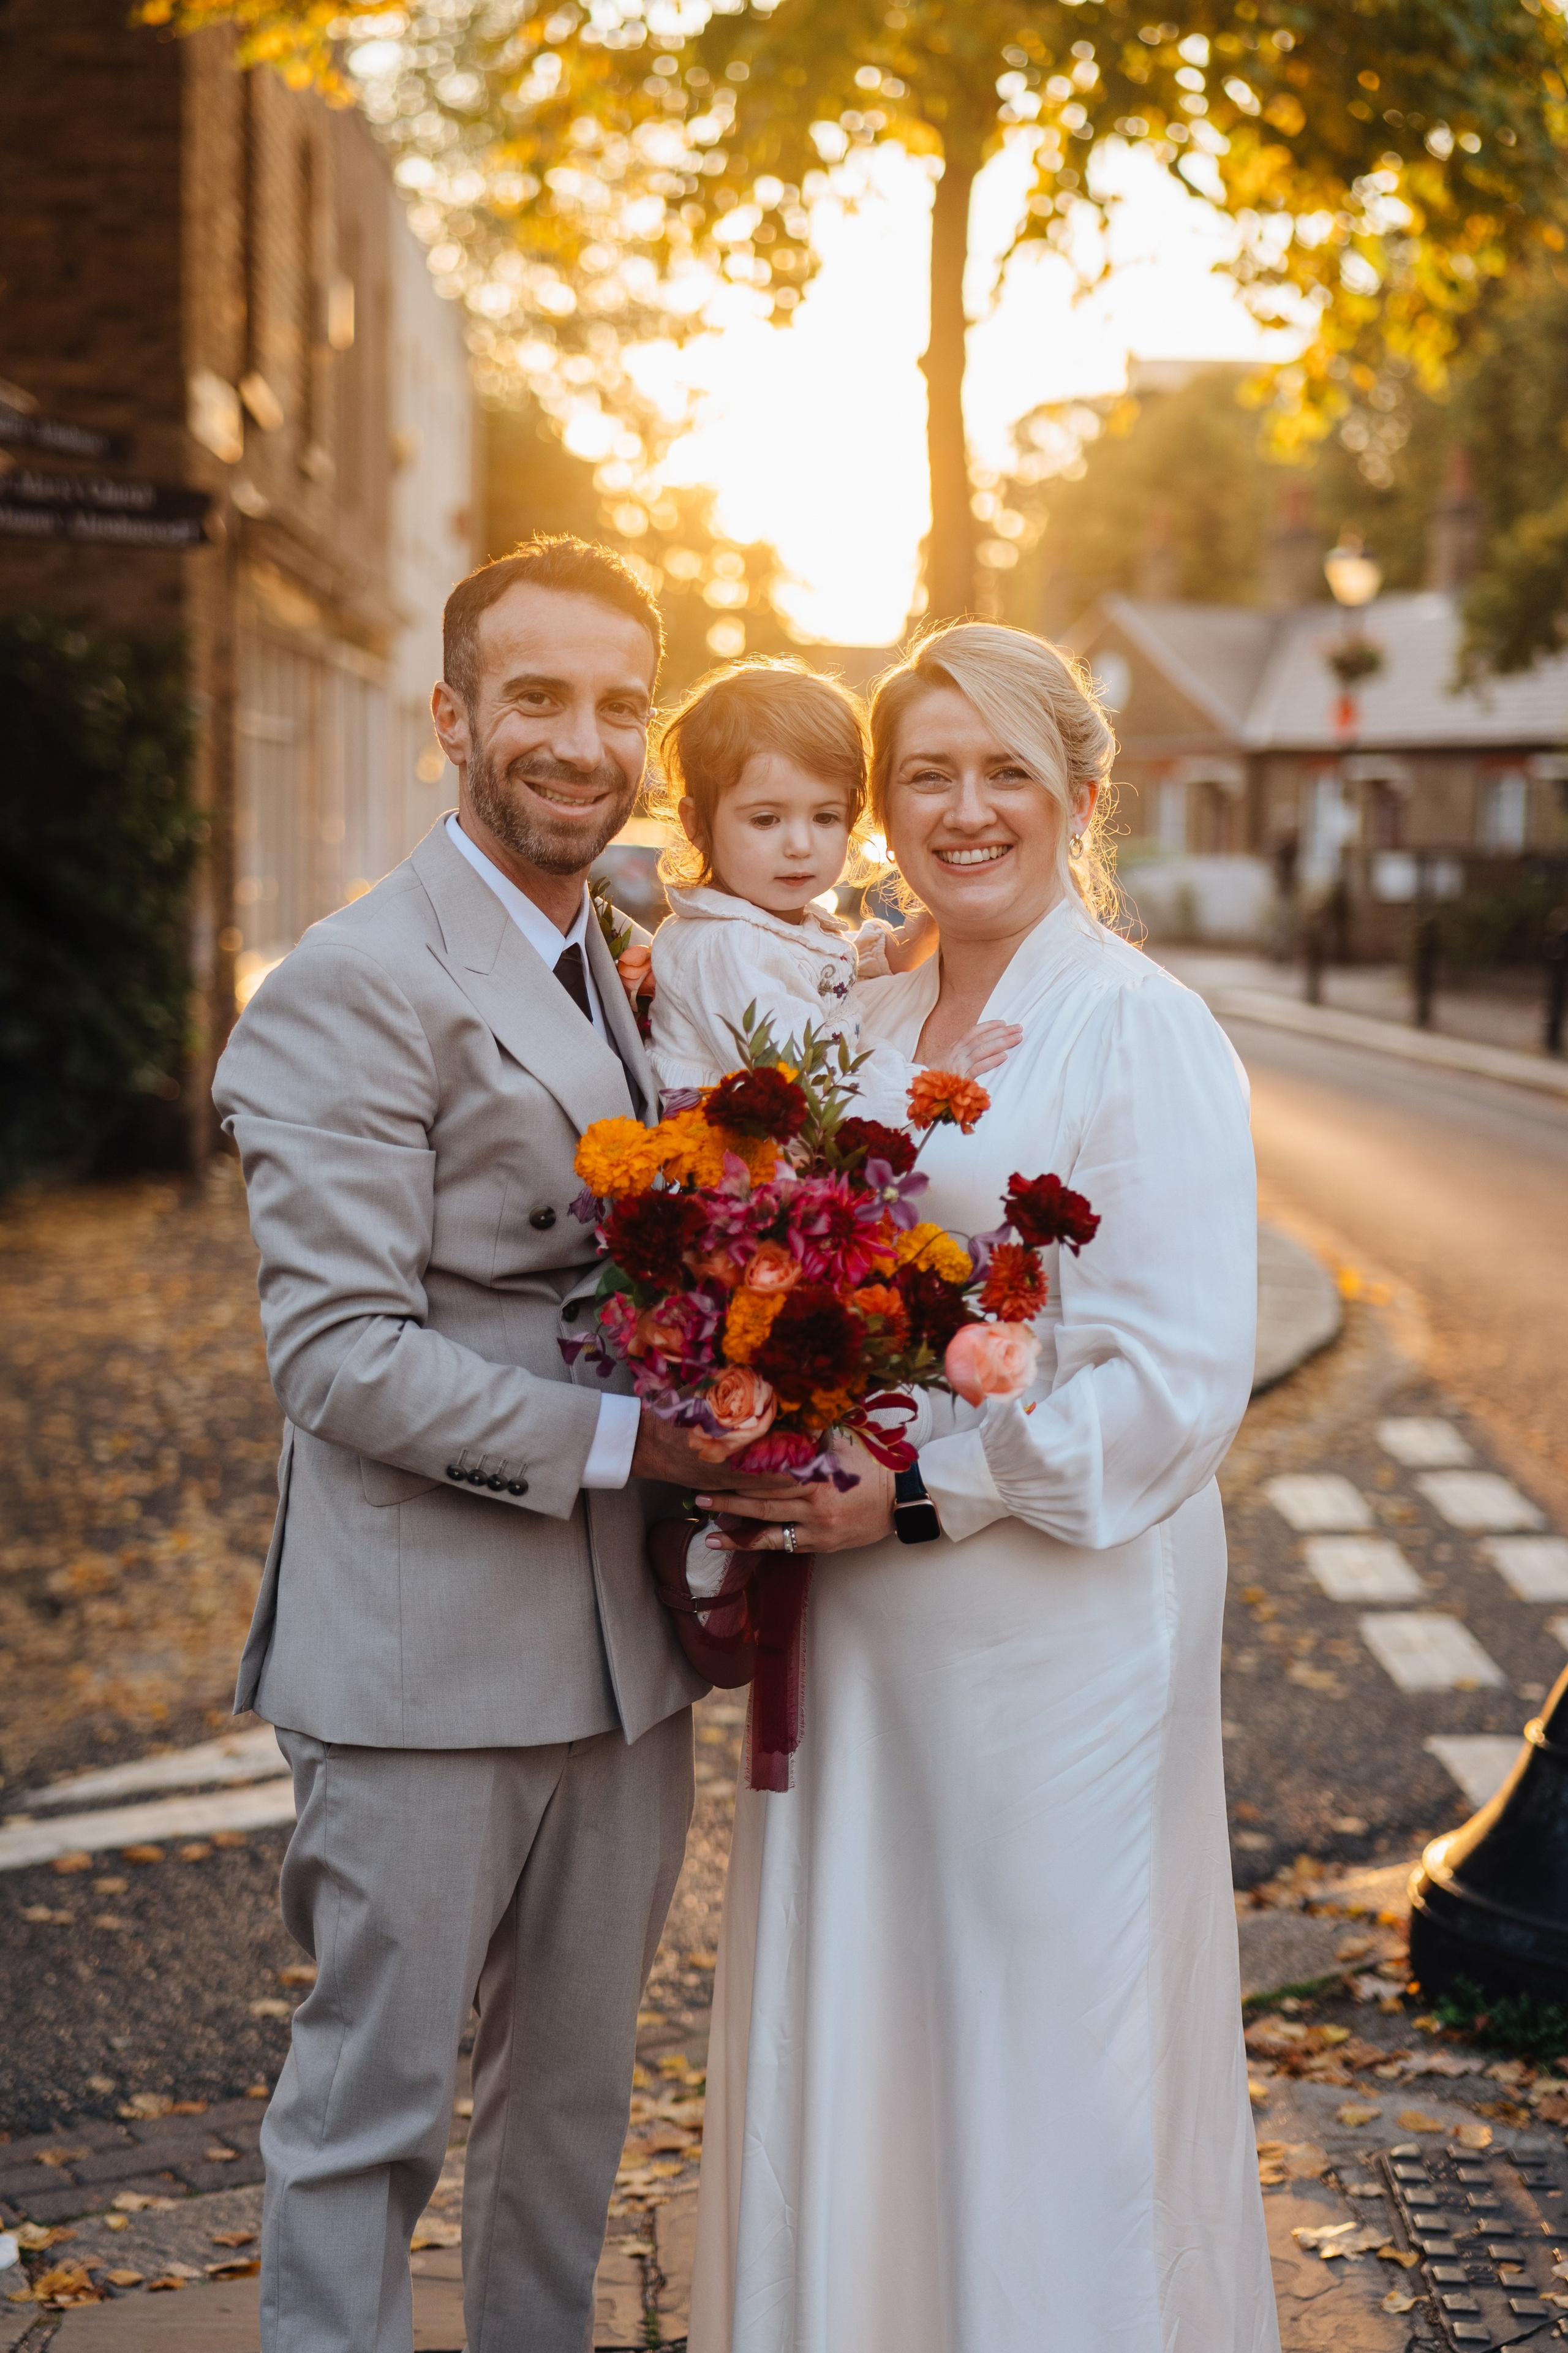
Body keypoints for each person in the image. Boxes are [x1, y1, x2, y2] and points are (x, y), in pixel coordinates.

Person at [213, 535, 800, 2353]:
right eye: (536, 697)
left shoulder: (618, 957)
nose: (582, 739)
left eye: (620, 704)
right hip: (420, 1658)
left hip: (618, 1662)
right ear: (453, 717)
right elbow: (341, 1358)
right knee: (368, 2125)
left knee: (567, 2122)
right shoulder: (352, 978)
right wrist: (647, 1437)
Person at [686, 620, 1279, 2352]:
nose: (963, 810)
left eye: (1005, 770)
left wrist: (930, 1494)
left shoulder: (1143, 1031)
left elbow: (1173, 1386)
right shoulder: (852, 1005)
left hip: (1052, 1620)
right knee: (861, 2014)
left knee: (1051, 2041)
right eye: (925, 775)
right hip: (862, 1622)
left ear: (1081, 795)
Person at [633, 655, 1021, 1106]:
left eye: (825, 816)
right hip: (723, 1166)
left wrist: (886, 957)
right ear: (698, 824)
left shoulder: (770, 930)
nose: (800, 844)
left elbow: (822, 999)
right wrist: (928, 1084)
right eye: (765, 819)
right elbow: (808, 1083)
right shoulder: (729, 946)